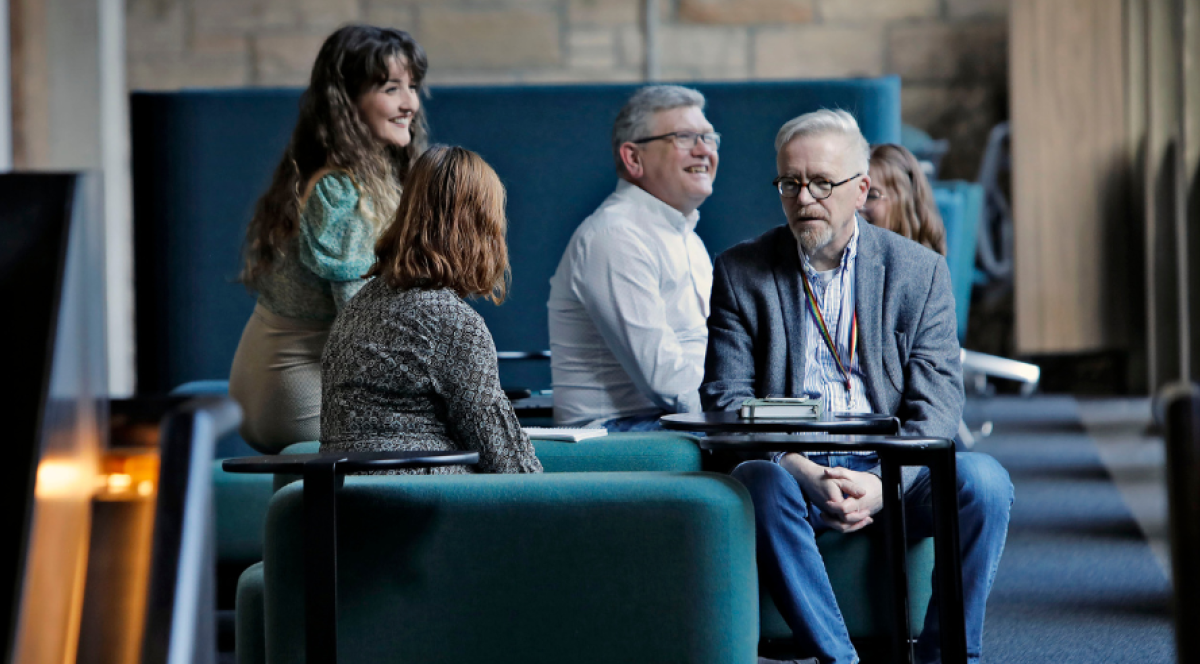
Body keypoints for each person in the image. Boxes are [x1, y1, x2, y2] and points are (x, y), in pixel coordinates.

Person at [701, 110, 1012, 664]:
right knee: (758, 482)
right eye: (789, 183)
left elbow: (938, 405)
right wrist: (801, 466)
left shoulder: (918, 272)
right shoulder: (741, 272)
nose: (804, 198)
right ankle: (838, 660)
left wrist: (883, 483)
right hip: (793, 468)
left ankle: (946, 657)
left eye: (822, 182)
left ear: (860, 188)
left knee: (984, 482)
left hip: (893, 465)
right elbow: (726, 399)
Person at [230, 25, 428, 453]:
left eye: (412, 87)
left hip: (299, 371)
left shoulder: (373, 179)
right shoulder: (340, 191)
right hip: (291, 379)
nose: (410, 103)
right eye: (391, 88)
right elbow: (362, 325)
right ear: (348, 101)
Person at [320, 145, 542, 475]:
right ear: (479, 228)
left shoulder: (356, 308)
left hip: (343, 509)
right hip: (421, 510)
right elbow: (510, 465)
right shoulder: (449, 321)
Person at [547, 85, 717, 430]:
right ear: (633, 158)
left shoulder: (689, 240)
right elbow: (665, 381)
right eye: (684, 137)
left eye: (709, 137)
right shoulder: (614, 235)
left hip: (667, 421)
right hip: (616, 434)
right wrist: (735, 416)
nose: (703, 150)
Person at [860, 143, 947, 255]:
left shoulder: (928, 269)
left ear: (904, 203)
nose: (856, 206)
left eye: (870, 196)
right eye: (852, 195)